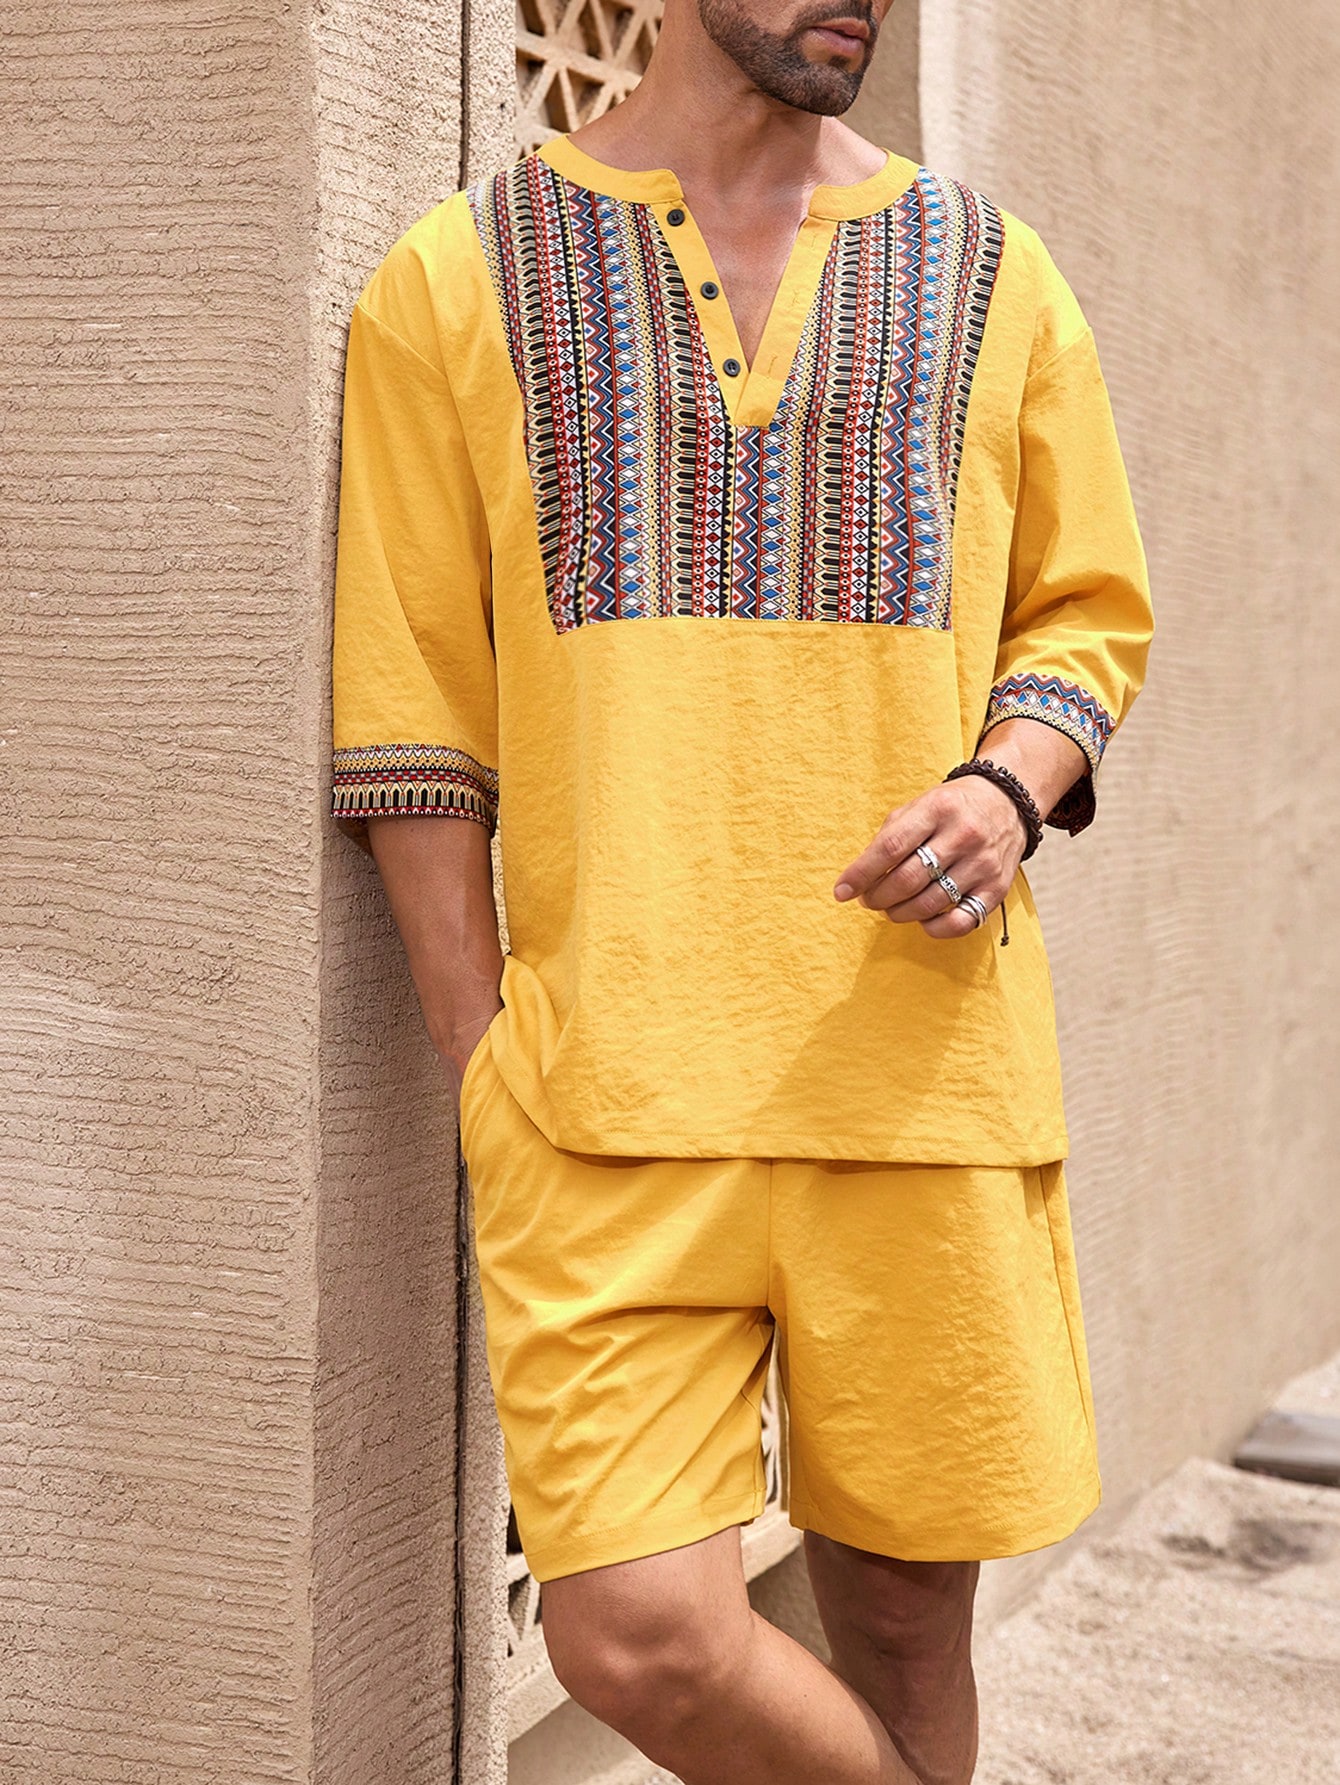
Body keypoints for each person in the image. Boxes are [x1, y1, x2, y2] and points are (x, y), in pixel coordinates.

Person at [328, 1, 1153, 1778]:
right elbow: (412, 718)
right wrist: (487, 1063)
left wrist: (1008, 786)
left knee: (906, 1629)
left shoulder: (997, 276)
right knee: (642, 1636)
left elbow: (1085, 617)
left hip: (917, 1079)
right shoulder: (455, 282)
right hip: (606, 1100)